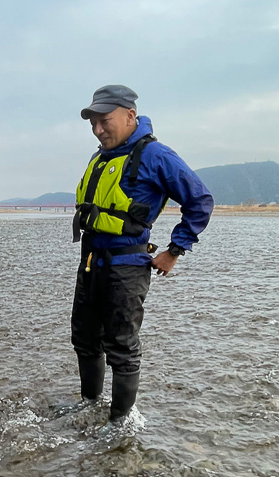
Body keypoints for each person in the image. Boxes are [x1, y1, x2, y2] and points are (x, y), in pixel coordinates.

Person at [72, 84, 213, 422]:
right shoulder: (100, 157)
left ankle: (119, 421)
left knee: (121, 345)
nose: (98, 129)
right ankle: (89, 402)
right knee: (85, 338)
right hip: (91, 262)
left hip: (127, 266)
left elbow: (200, 200)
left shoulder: (155, 155)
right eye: (93, 123)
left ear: (130, 115)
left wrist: (174, 250)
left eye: (105, 121)